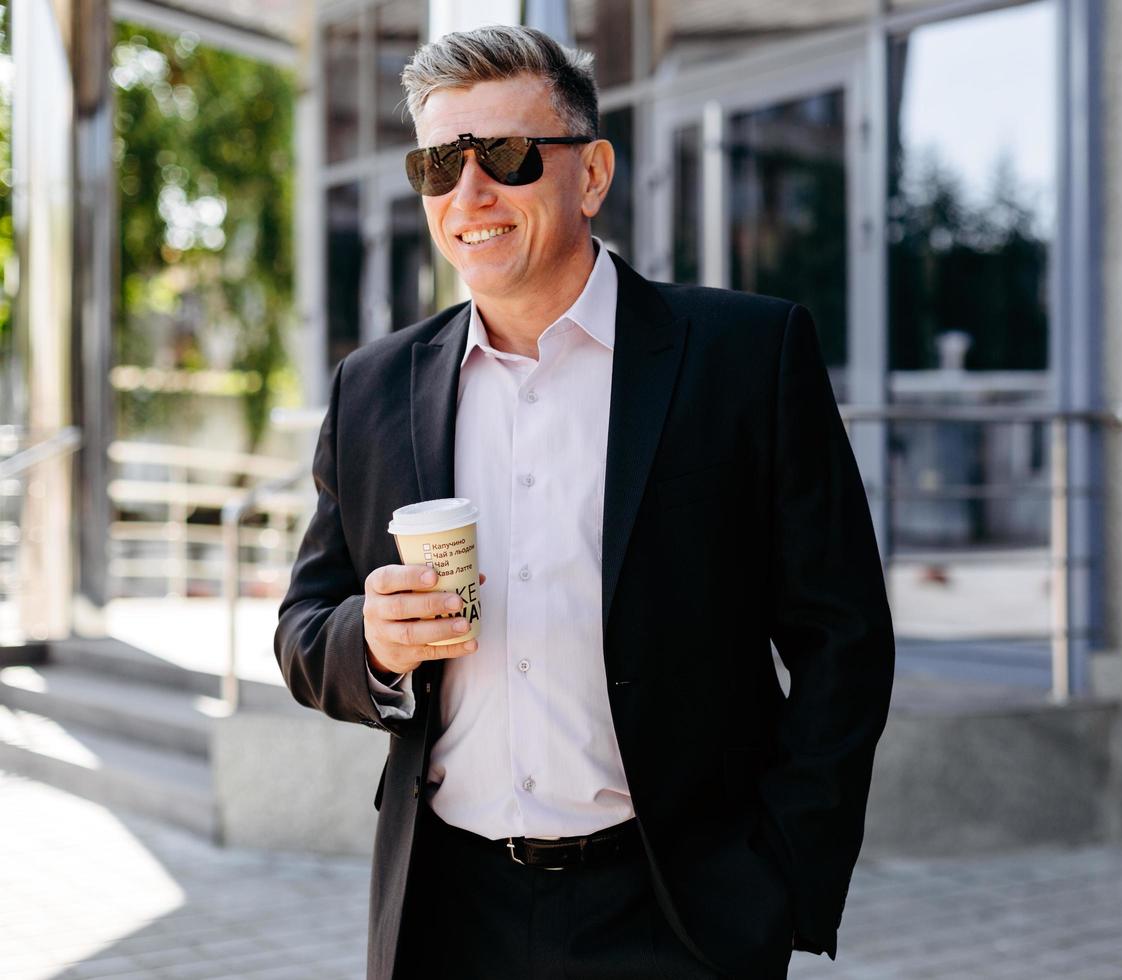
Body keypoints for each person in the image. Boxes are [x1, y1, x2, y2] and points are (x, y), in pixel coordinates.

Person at [274, 23, 893, 980]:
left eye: (508, 156)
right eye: (439, 164)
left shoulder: (744, 356)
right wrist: (376, 645)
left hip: (677, 914)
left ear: (592, 175)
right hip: (445, 913)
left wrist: (780, 879)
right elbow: (305, 629)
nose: (469, 193)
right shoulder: (374, 386)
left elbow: (843, 635)